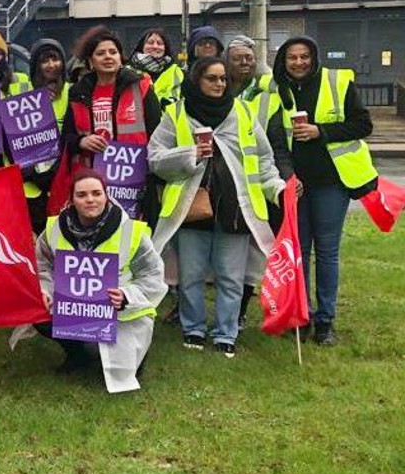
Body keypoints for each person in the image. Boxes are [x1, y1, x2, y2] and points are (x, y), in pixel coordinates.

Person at [148, 57, 287, 357]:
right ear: (197, 80)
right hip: (191, 209)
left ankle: (227, 332)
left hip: (235, 209)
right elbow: (154, 158)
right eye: (211, 78)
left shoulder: (244, 113)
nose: (219, 84)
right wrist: (191, 154)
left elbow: (263, 160)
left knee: (230, 276)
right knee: (192, 275)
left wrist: (278, 190)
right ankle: (193, 328)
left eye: (223, 78)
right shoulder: (176, 114)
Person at [273, 36, 376, 345]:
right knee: (299, 254)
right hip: (296, 185)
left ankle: (325, 322)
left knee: (327, 253)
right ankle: (301, 317)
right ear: (284, 60)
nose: (299, 62)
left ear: (314, 58)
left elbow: (363, 125)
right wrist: (287, 177)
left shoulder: (338, 82)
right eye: (292, 57)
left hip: (331, 183)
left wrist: (322, 131)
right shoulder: (275, 90)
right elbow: (273, 138)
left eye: (305, 56)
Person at [34, 169, 166, 393]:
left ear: (106, 195)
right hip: (75, 308)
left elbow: (153, 275)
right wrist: (45, 291)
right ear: (71, 199)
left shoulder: (130, 231)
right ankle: (77, 355)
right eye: (82, 195)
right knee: (39, 314)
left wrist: (127, 296)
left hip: (120, 312)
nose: (90, 200)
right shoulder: (54, 229)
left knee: (121, 367)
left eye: (96, 193)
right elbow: (42, 266)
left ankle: (135, 356)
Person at [60, 26, 162, 218]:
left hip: (133, 181)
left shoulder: (141, 87)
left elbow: (157, 132)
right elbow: (67, 137)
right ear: (90, 61)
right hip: (91, 184)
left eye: (113, 52)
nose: (108, 57)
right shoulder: (78, 93)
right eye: (100, 53)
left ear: (120, 58)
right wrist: (82, 142)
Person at [227, 34, 294, 327]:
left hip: (258, 186)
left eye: (250, 58)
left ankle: (241, 309)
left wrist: (284, 180)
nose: (246, 62)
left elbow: (278, 142)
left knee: (254, 254)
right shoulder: (217, 87)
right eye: (239, 58)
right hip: (225, 185)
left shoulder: (270, 91)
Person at [22, 38, 71, 233]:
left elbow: (73, 136)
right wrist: (30, 172)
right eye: (44, 60)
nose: (51, 65)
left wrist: (54, 171)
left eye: (55, 59)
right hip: (30, 183)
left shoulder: (72, 91)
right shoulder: (24, 92)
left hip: (61, 178)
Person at [129, 27, 183, 107]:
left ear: (165, 48)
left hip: (167, 118)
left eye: (159, 43)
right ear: (142, 46)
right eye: (150, 42)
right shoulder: (129, 70)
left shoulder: (177, 72)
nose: (155, 46)